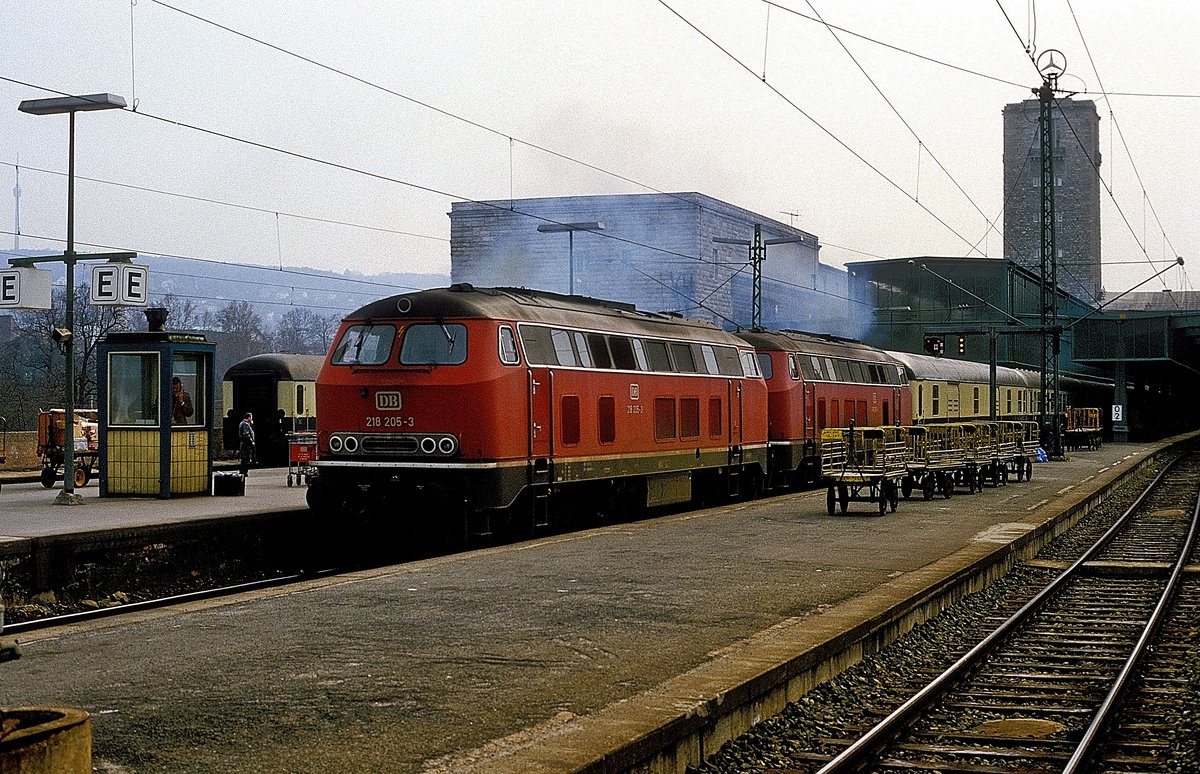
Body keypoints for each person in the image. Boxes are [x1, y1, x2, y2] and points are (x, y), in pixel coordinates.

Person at [238, 412, 256, 477]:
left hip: (244, 444)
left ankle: (243, 471)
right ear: (248, 417)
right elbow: (246, 435)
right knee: (246, 458)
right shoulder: (245, 424)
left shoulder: (243, 423)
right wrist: (252, 442)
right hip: (246, 444)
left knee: (244, 458)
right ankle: (244, 472)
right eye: (251, 417)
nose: (251, 418)